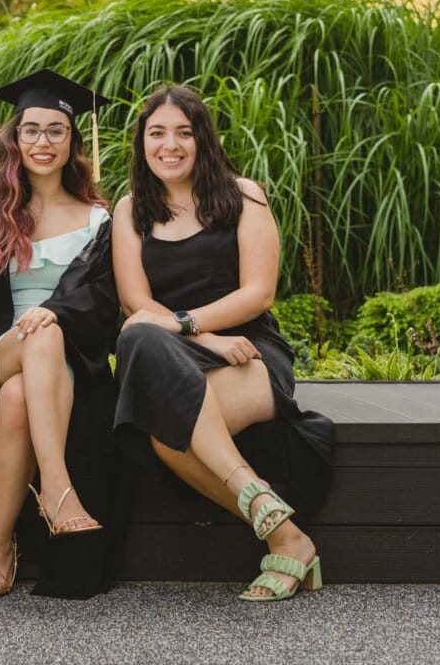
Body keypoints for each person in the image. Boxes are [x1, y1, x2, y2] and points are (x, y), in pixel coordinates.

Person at [111, 83, 334, 602]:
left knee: (165, 432)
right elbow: (135, 301)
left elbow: (259, 293)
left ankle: (276, 524)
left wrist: (191, 327)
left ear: (202, 139)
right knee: (140, 335)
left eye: (183, 133)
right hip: (195, 347)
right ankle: (283, 531)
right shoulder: (131, 210)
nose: (170, 145)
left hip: (250, 354)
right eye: (157, 132)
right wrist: (204, 336)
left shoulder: (242, 195)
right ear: (142, 142)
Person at [0, 69, 124, 601]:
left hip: (69, 360)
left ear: (72, 142)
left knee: (22, 384)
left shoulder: (99, 220)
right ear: (15, 140)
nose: (43, 141)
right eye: (31, 130)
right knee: (34, 335)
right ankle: (57, 490)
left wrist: (54, 313)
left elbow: (104, 302)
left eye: (56, 130)